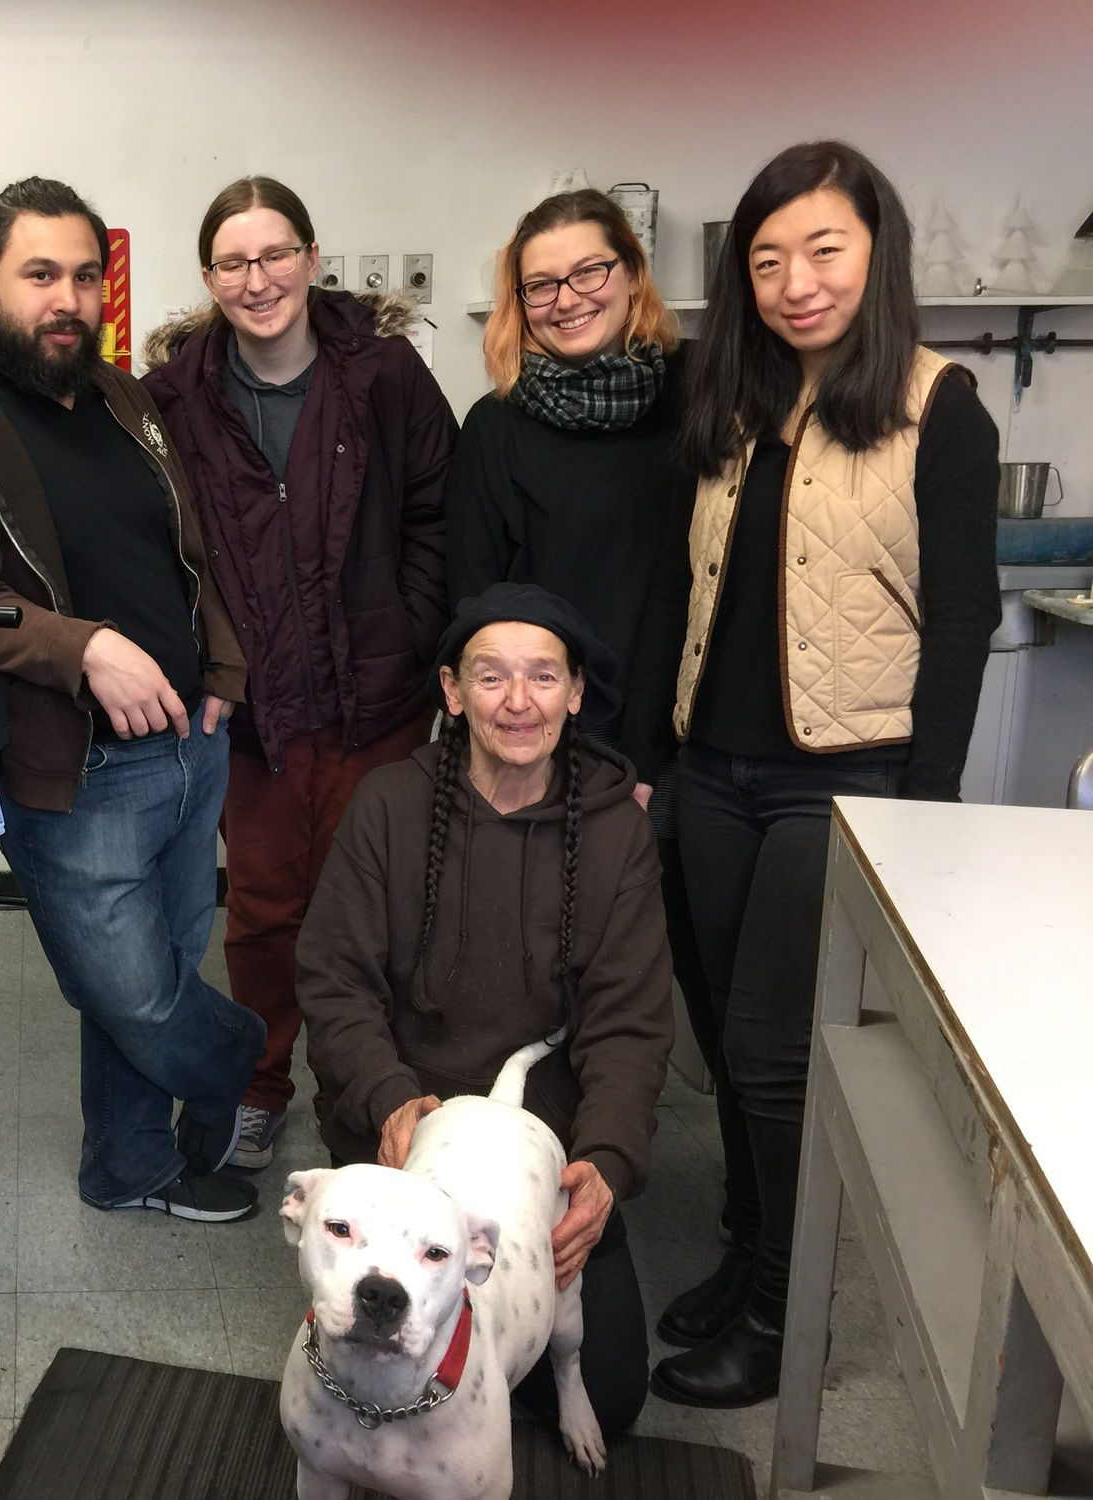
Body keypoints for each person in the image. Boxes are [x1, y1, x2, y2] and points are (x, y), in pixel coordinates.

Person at [648, 141, 999, 1407]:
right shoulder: (730, 401)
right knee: (721, 1039)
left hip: (841, 779)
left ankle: (782, 1321)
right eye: (765, 258)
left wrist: (924, 811)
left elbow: (961, 617)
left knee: (766, 1052)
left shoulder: (936, 402)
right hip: (711, 771)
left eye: (823, 250)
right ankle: (747, 1257)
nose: (795, 281)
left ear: (874, 253)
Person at [0, 177, 266, 1223]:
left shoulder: (119, 396)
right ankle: (242, 1066)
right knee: (130, 993)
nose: (66, 298)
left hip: (187, 742)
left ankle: (127, 1167)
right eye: (39, 275)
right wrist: (86, 651)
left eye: (84, 274)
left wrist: (219, 668)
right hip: (72, 769)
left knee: (160, 969)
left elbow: (186, 552)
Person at [297, 583, 674, 1438]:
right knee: (374, 1355)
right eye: (491, 676)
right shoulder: (388, 805)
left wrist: (606, 1163)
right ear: (451, 691)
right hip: (405, 1139)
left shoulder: (617, 836)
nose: (517, 701)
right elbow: (334, 978)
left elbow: (632, 1021)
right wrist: (385, 1095)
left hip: (536, 1159)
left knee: (609, 1396)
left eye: (543, 677)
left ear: (576, 694)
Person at [443, 192, 733, 1301]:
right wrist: (528, 744)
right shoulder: (498, 427)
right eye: (540, 283)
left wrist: (652, 758)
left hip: (682, 745)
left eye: (588, 273)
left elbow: (701, 585)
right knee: (533, 965)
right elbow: (479, 603)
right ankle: (519, 1181)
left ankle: (665, 1192)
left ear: (631, 273)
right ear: (517, 299)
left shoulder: (700, 405)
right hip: (545, 747)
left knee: (665, 979)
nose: (566, 301)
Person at [140, 176, 454, 1171]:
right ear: (208, 278)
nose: (256, 277)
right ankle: (260, 1086)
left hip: (378, 703)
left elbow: (434, 519)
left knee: (378, 917)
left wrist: (407, 637)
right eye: (233, 262)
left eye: (274, 254)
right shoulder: (176, 398)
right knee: (266, 916)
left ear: (311, 261)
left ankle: (367, 1104)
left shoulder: (384, 377)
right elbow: (160, 542)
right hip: (254, 715)